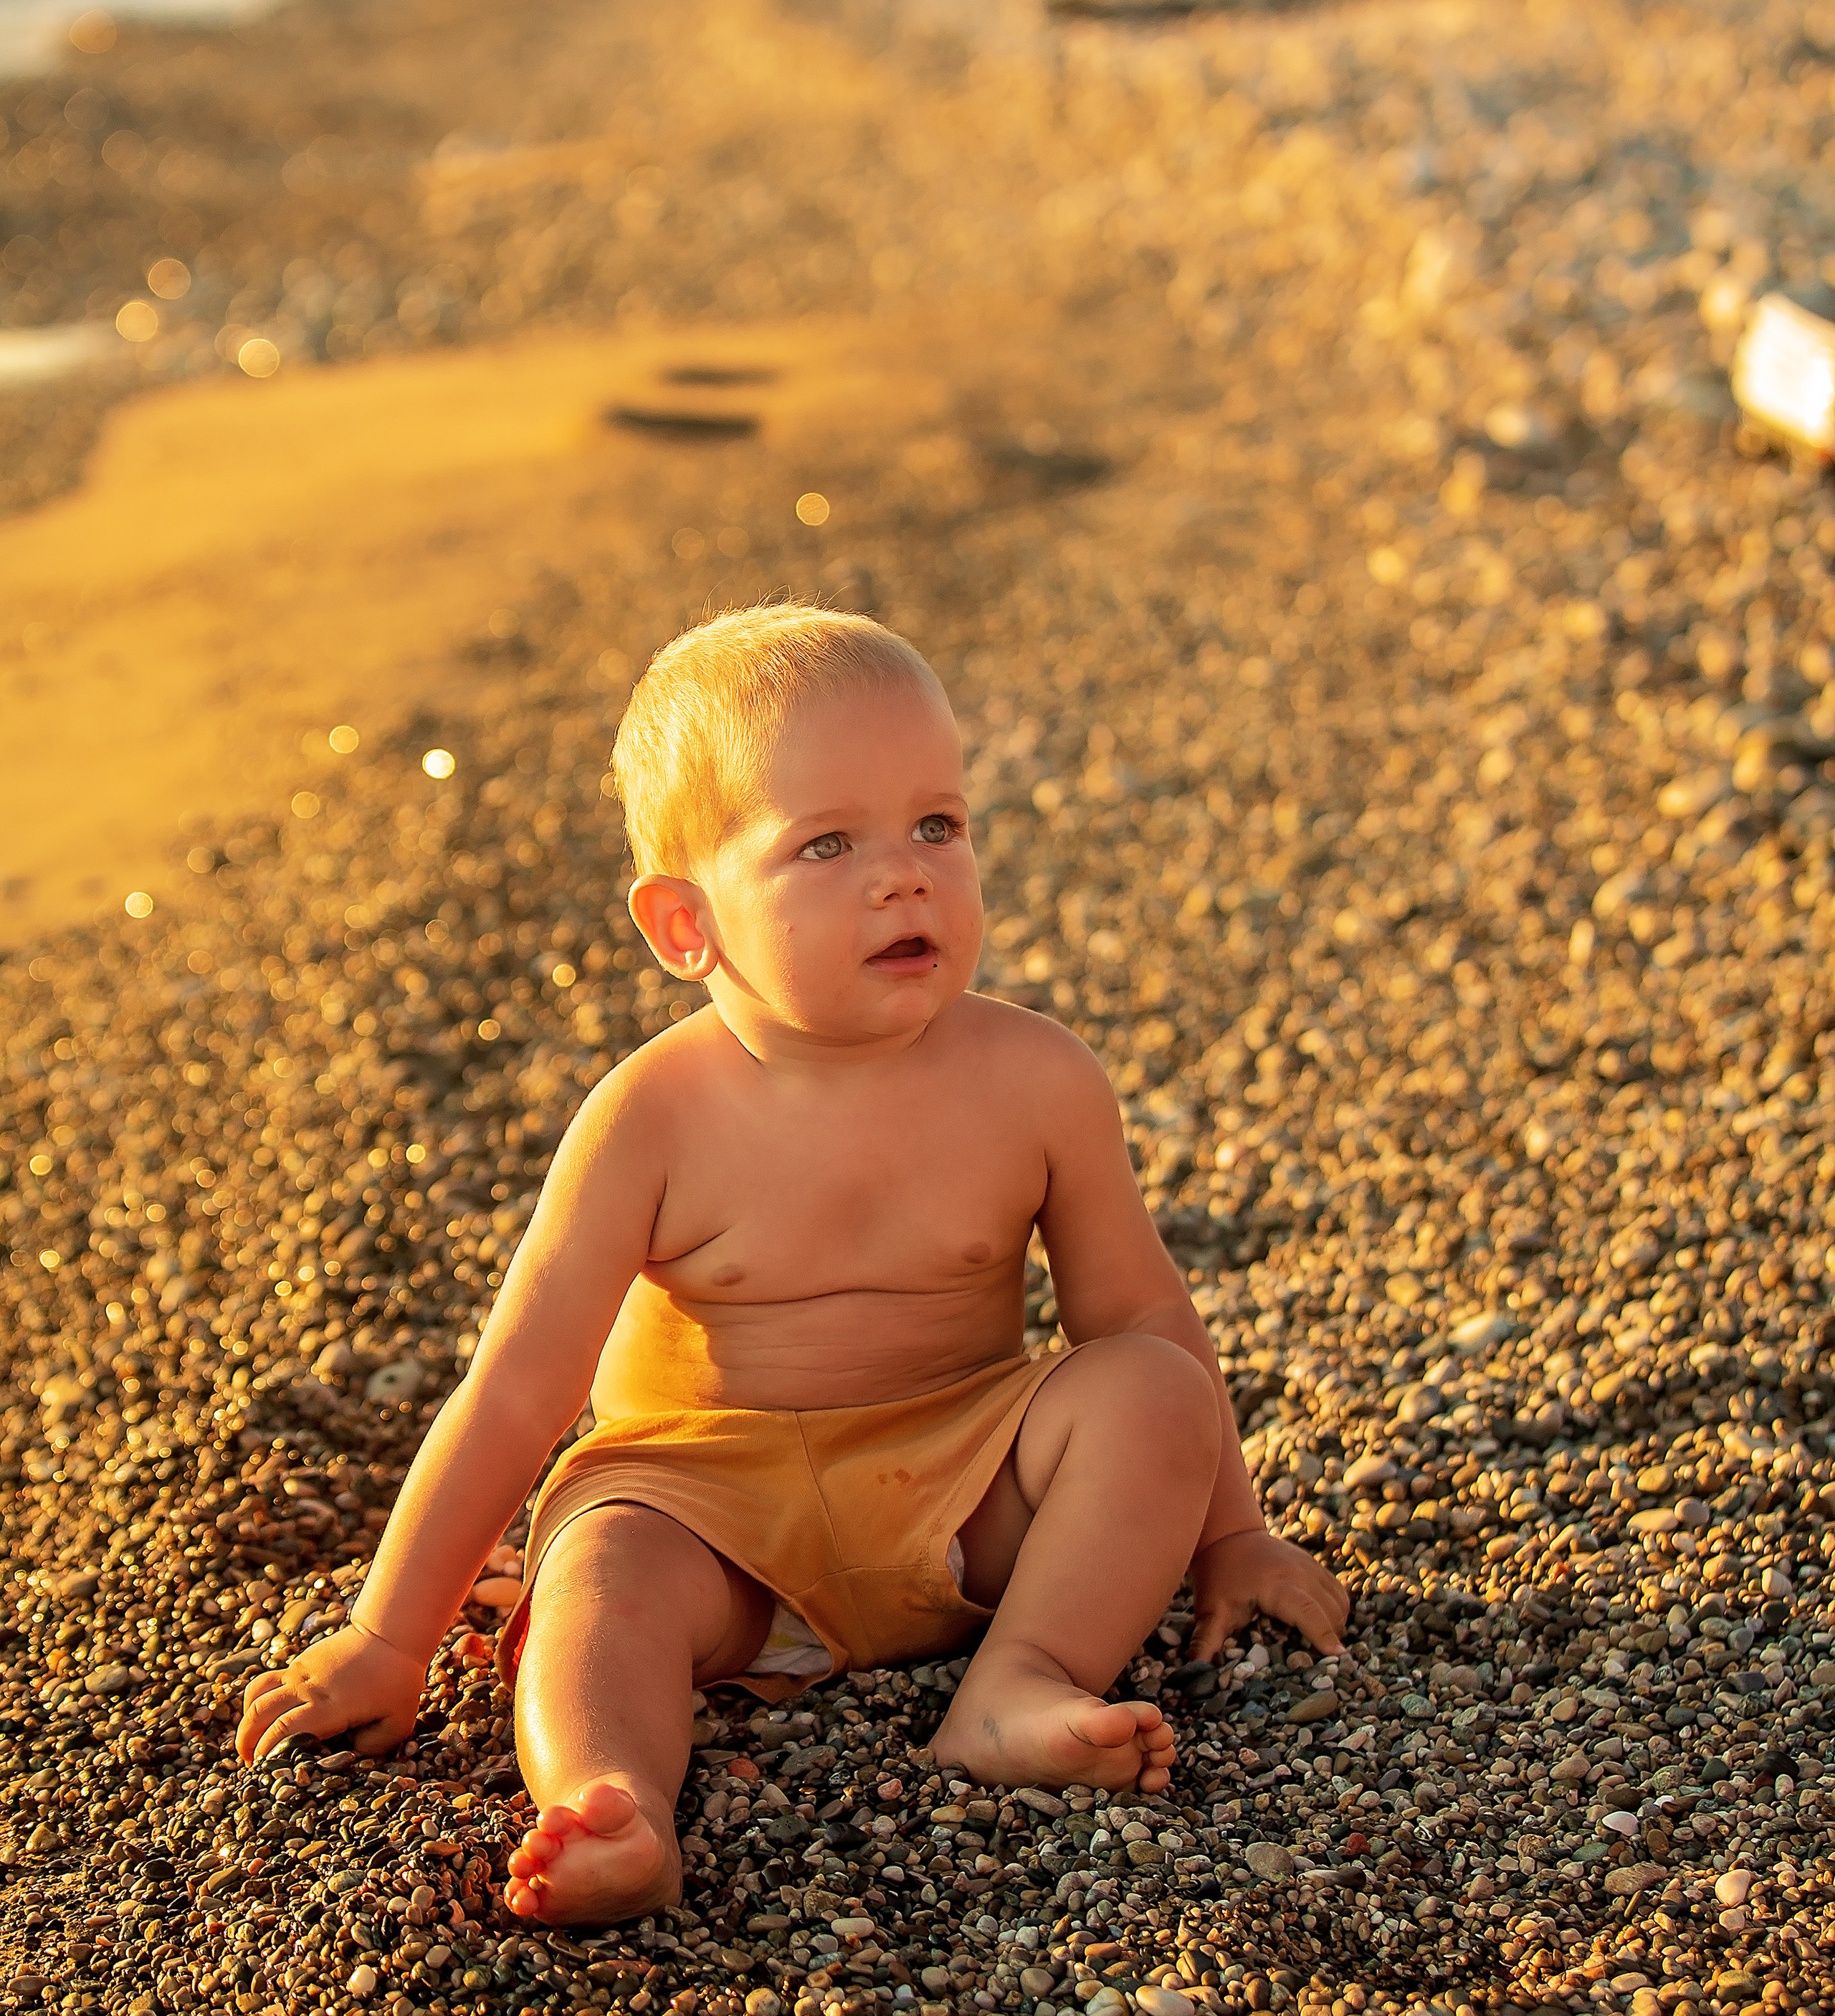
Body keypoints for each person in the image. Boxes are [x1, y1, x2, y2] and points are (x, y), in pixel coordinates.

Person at [238, 603, 1347, 1924]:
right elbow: (519, 1392)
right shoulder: (650, 1121)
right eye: (827, 844)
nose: (904, 878)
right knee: (602, 1570)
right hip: (716, 1520)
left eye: (937, 825)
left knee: (1152, 1386)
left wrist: (1234, 1533)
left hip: (967, 1497)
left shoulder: (1037, 1079)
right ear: (685, 925)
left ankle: (1020, 1682)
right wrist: (388, 1637)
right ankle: (611, 1805)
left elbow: (1136, 1304)